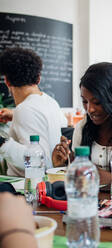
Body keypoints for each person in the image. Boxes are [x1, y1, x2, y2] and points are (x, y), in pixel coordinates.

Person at [0, 47, 67, 176]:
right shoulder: (51, 102)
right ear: (38, 79)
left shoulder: (24, 110)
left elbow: (39, 162)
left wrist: (2, 143)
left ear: (7, 81)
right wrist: (14, 115)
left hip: (25, 188)